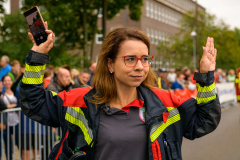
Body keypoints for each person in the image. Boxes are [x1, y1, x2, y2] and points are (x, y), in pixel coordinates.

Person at [20, 26, 221, 160]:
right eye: (130, 59)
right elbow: (34, 103)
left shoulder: (165, 103)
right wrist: (38, 56)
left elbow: (204, 122)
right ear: (110, 63)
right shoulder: (79, 101)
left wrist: (206, 77)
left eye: (145, 59)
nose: (140, 66)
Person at [1, 74, 19, 160]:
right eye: (5, 81)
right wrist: (13, 106)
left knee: (19, 142)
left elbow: (20, 105)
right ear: (3, 82)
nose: (7, 82)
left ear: (12, 81)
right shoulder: (1, 95)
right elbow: (2, 106)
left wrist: (9, 106)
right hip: (6, 123)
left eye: (9, 80)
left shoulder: (17, 92)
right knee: (8, 144)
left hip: (17, 122)